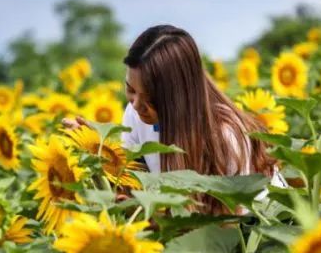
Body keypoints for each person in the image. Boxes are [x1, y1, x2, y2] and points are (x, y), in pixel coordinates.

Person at [65, 24, 286, 214]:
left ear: (180, 98)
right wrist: (100, 152)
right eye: (130, 90)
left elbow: (225, 228)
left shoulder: (225, 135)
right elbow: (135, 186)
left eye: (151, 99)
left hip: (262, 230)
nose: (136, 105)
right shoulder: (134, 113)